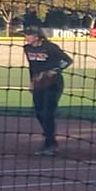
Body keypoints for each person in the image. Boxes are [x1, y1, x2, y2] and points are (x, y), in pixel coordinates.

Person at [22, 28, 74, 156]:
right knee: (39, 113)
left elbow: (67, 60)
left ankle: (50, 143)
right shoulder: (27, 49)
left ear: (37, 36)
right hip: (39, 84)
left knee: (47, 113)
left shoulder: (50, 47)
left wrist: (54, 70)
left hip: (53, 84)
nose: (26, 37)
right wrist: (32, 82)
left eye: (28, 35)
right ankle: (50, 140)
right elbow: (32, 68)